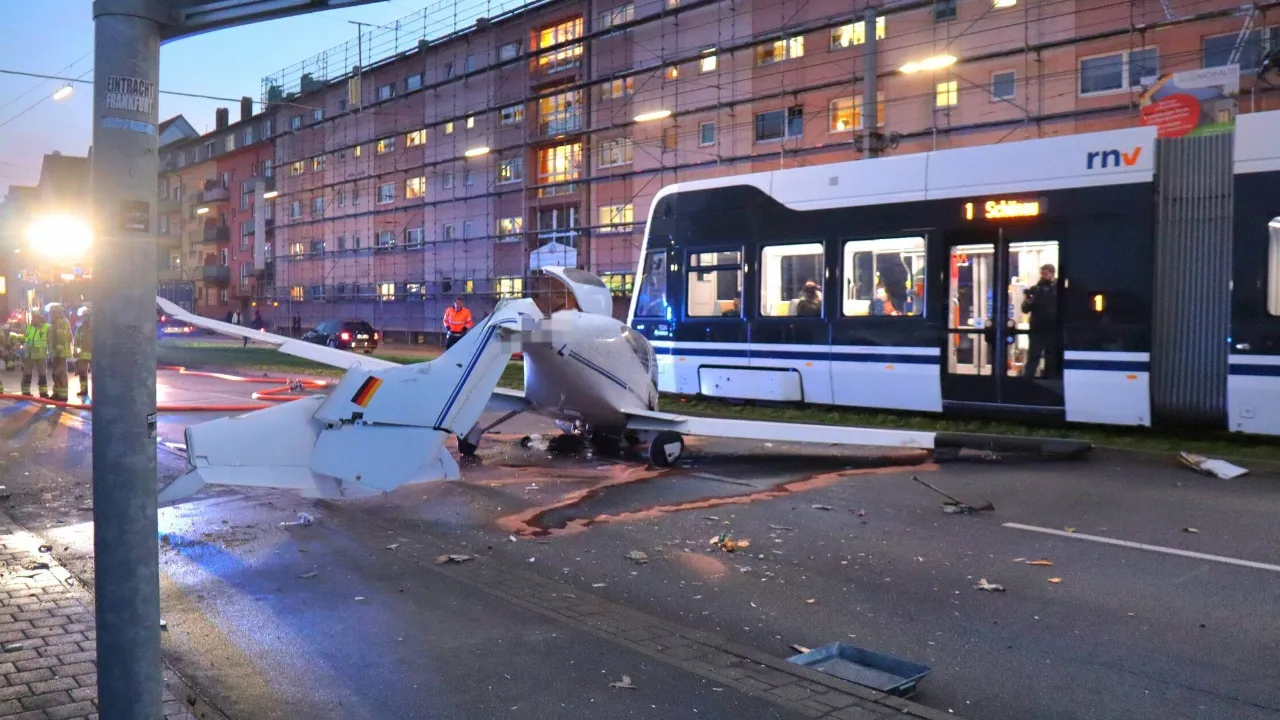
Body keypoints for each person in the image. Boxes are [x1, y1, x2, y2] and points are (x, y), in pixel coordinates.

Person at [1021, 263, 1059, 378]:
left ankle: (1050, 377)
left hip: (1052, 328)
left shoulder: (1058, 289)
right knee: (1033, 355)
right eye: (1042, 274)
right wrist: (1028, 301)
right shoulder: (1035, 289)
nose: (1043, 276)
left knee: (1051, 356)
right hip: (1037, 328)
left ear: (1052, 274)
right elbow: (1025, 309)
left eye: (1045, 274)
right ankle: (1028, 378)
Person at [21, 313, 50, 399]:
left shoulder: (46, 327)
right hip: (29, 354)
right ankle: (25, 392)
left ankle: (43, 392)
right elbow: (26, 338)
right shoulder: (29, 327)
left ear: (39, 318)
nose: (32, 319)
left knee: (42, 374)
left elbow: (50, 340)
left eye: (34, 317)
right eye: (32, 317)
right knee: (27, 373)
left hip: (41, 355)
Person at [49, 306, 72, 402]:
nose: (51, 314)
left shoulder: (61, 322)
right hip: (56, 352)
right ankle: (57, 393)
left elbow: (62, 338)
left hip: (61, 352)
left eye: (53, 312)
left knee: (60, 372)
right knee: (55, 373)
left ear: (58, 313)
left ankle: (63, 395)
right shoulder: (54, 323)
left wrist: (58, 351)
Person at [74, 310, 92, 401]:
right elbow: (76, 340)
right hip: (83, 355)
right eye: (83, 316)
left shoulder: (94, 327)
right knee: (82, 372)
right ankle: (83, 390)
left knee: (96, 374)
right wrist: (76, 351)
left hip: (93, 354)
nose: (84, 318)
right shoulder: (80, 328)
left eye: (86, 316)